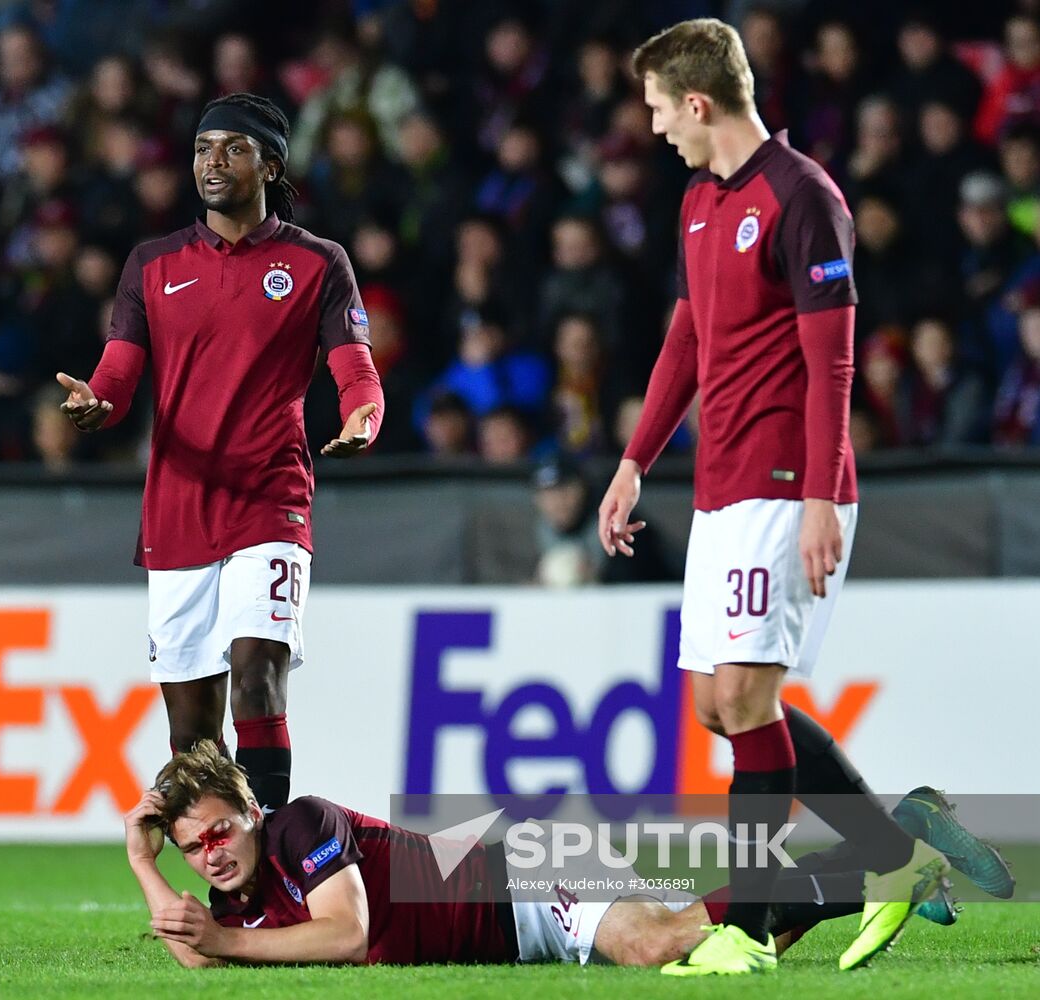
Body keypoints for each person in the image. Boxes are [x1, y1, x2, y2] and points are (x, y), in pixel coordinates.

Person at [596, 20, 956, 976]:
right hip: (721, 487)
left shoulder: (805, 198)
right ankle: (892, 854)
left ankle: (746, 934)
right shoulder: (699, 201)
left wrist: (823, 498)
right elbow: (687, 340)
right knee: (718, 708)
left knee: (748, 697)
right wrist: (636, 459)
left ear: (700, 102)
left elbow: (832, 359)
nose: (656, 126)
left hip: (786, 485)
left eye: (660, 109)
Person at [56, 93, 384, 812]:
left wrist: (364, 415)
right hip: (176, 507)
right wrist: (97, 403)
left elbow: (356, 367)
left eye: (233, 148)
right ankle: (232, 891)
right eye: (204, 148)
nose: (212, 162)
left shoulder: (317, 263)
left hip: (270, 499)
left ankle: (277, 875)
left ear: (270, 164)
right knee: (192, 734)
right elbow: (118, 370)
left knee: (258, 674)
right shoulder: (152, 262)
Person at [125, 743, 1002, 969]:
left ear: (251, 808)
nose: (207, 856)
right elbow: (197, 953)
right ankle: (898, 861)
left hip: (524, 885)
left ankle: (890, 845)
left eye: (218, 833)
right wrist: (142, 860)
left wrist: (228, 939)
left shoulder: (297, 825)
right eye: (192, 845)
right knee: (714, 944)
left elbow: (346, 932)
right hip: (515, 925)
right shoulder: (234, 882)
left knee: (655, 942)